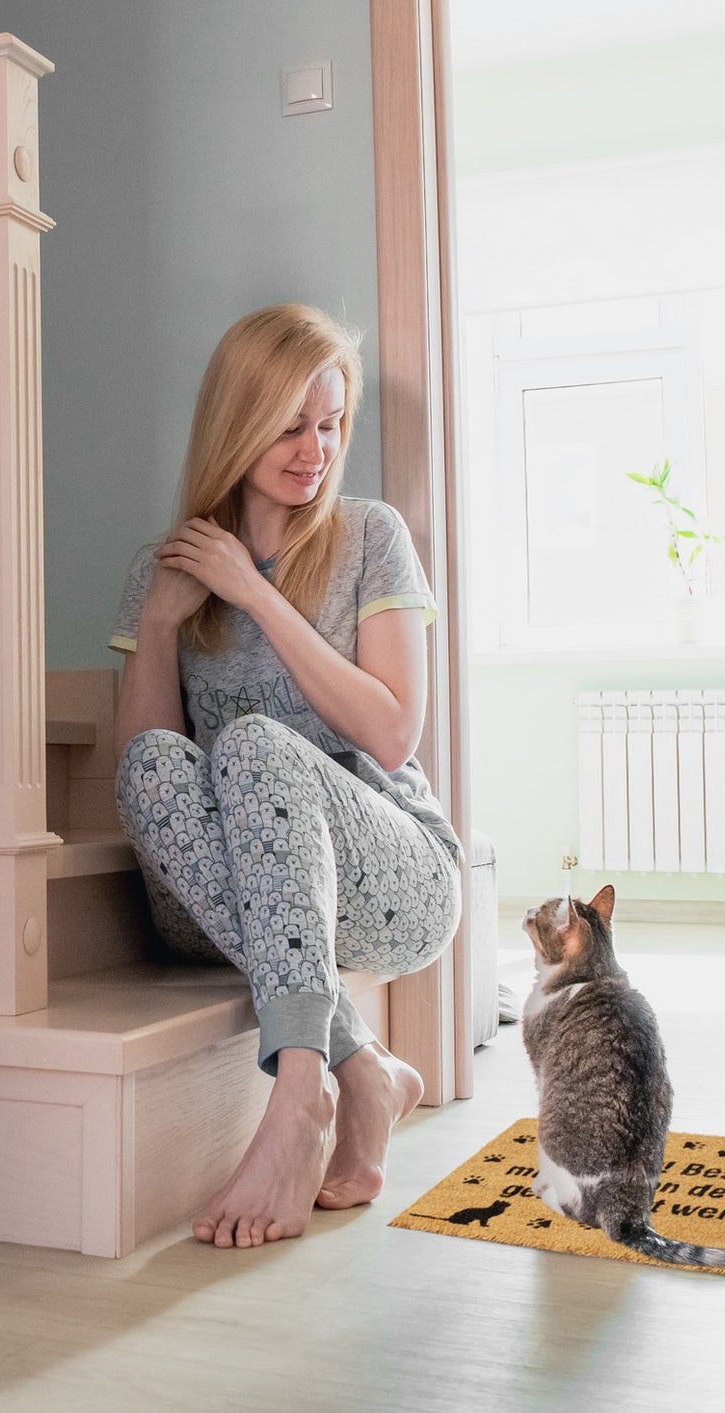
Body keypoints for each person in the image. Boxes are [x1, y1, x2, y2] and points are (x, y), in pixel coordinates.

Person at [110, 303, 462, 1251]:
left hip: (391, 876)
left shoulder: (367, 536)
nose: (315, 450)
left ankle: (301, 1091)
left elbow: (391, 735)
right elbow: (150, 776)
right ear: (236, 420)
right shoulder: (169, 567)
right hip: (220, 899)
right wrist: (157, 624)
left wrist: (254, 592)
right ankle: (366, 1069)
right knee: (152, 758)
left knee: (259, 742)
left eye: (331, 424)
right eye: (290, 424)